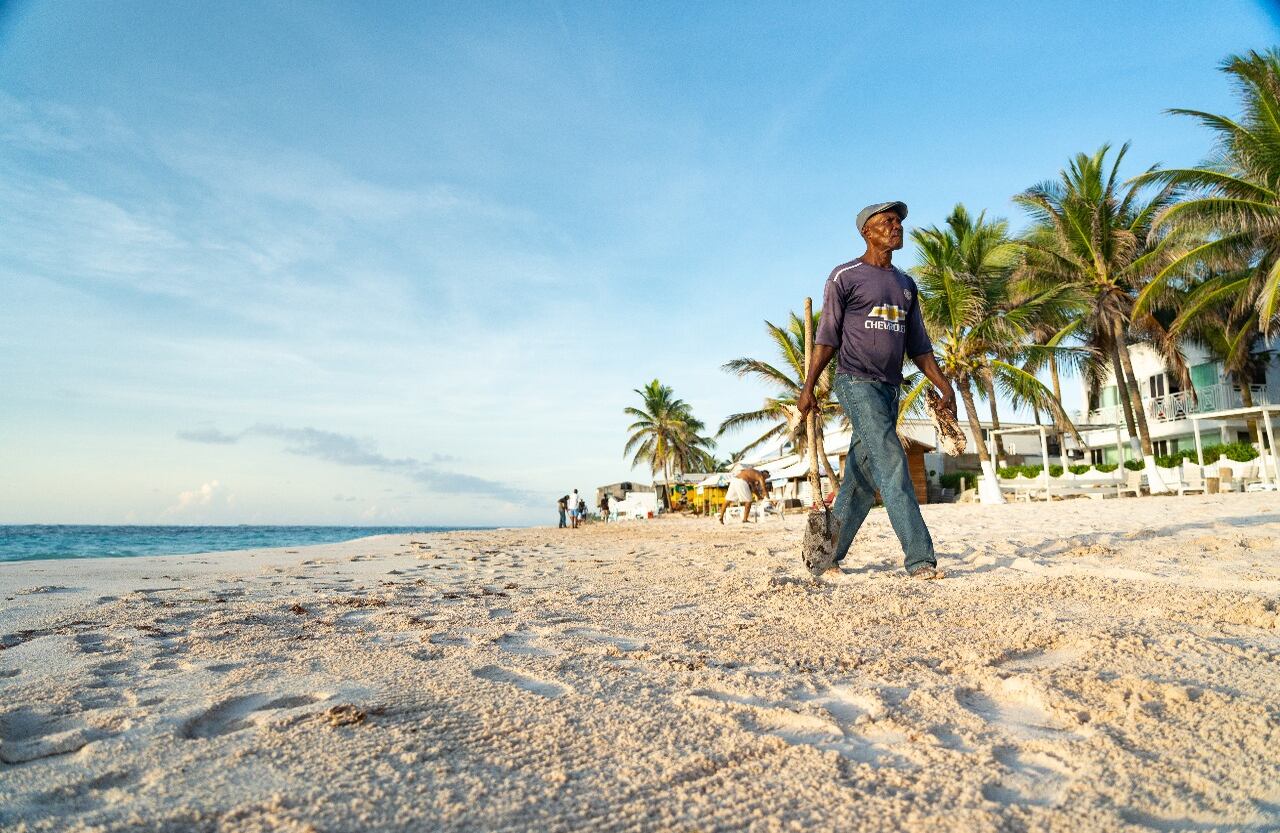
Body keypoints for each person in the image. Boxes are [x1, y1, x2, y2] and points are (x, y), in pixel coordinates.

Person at [797, 200, 956, 581]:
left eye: (899, 221)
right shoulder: (845, 276)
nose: (897, 226)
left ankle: (824, 558)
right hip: (855, 382)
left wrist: (943, 383)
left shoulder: (905, 284)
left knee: (862, 480)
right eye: (888, 221)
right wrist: (808, 388)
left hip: (889, 388)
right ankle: (920, 559)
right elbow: (827, 337)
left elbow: (918, 346)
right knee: (891, 460)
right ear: (867, 231)